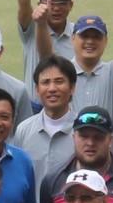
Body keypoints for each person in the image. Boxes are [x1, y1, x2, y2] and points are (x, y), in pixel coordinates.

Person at [13, 57, 83, 191]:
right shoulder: (23, 130)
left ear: (72, 87)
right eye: (45, 82)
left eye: (59, 81)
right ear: (37, 89)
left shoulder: (83, 132)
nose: (52, 88)